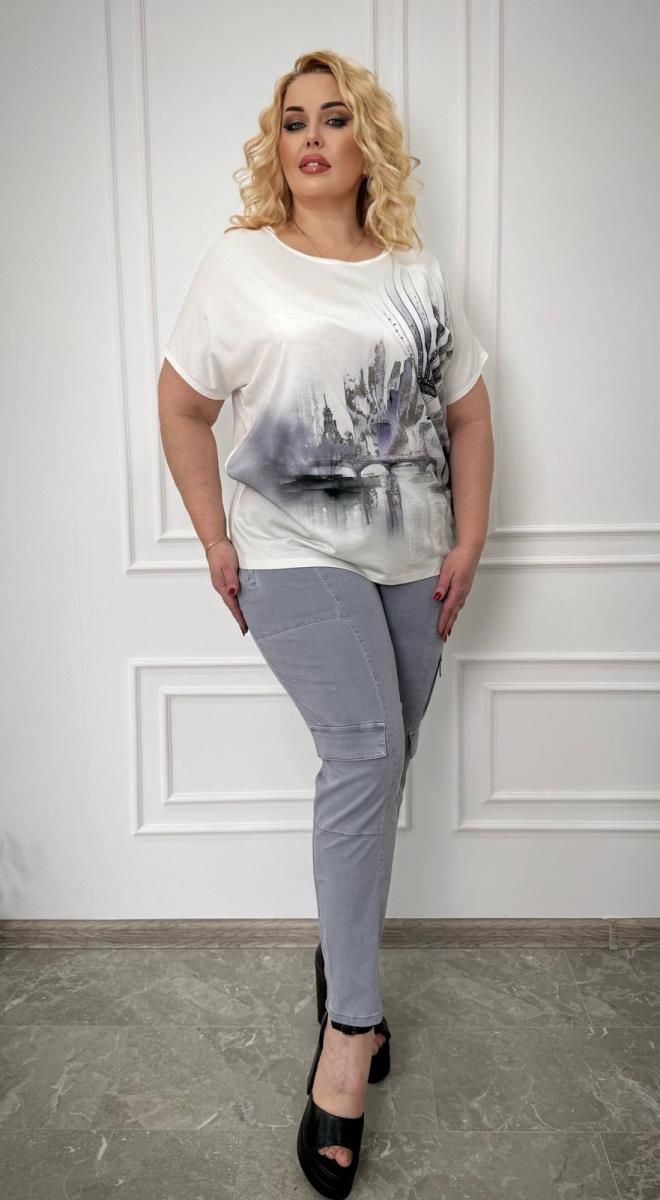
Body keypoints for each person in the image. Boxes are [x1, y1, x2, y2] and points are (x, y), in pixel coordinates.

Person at [158, 48, 494, 1199]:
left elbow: (469, 414)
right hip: (289, 552)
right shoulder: (241, 263)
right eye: (294, 120)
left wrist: (470, 538)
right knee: (362, 755)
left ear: (366, 143)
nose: (311, 136)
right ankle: (349, 1035)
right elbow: (183, 405)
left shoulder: (418, 274)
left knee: (381, 766)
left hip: (414, 562)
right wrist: (213, 535)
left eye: (335, 117)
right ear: (279, 146)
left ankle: (336, 961)